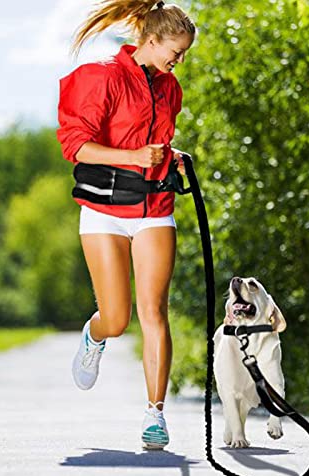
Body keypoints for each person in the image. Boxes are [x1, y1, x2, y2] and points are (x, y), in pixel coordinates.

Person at [56, 0, 195, 450]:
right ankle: (94, 335)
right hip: (104, 211)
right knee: (117, 318)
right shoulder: (101, 77)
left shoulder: (169, 88)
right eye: (175, 51)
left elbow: (156, 142)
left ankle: (155, 415)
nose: (179, 60)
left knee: (153, 311)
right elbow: (77, 147)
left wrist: (170, 158)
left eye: (184, 54)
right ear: (150, 41)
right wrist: (133, 158)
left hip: (155, 207)